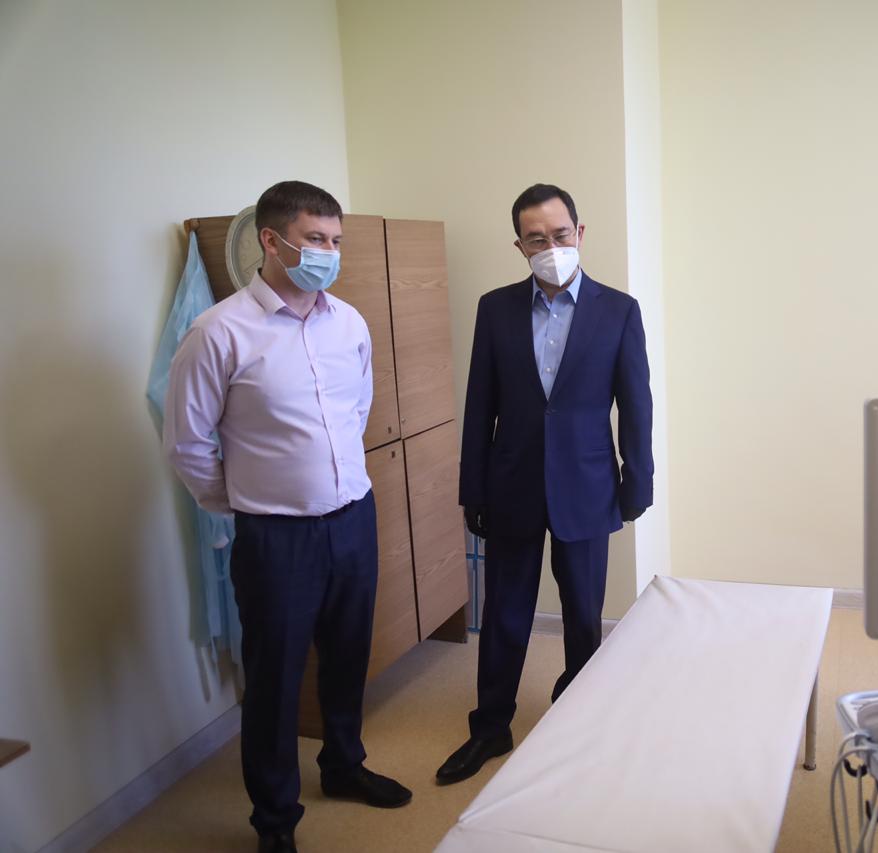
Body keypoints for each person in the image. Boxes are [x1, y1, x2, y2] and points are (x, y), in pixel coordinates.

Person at [164, 181, 411, 853]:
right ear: (271, 241)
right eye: (315, 239)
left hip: (353, 518)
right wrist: (246, 502)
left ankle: (344, 764)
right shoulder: (218, 333)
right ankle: (275, 819)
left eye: (336, 240)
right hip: (275, 536)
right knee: (275, 679)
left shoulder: (348, 322)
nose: (329, 252)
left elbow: (356, 409)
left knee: (348, 655)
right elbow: (187, 443)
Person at [436, 183, 654, 785]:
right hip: (511, 484)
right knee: (505, 612)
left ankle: (579, 718)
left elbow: (636, 406)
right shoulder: (495, 309)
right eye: (537, 239)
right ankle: (490, 726)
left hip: (588, 484)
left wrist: (637, 481)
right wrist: (472, 488)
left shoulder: (619, 311)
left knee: (584, 614)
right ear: (520, 246)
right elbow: (480, 406)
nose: (551, 246)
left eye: (560, 234)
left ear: (579, 234)